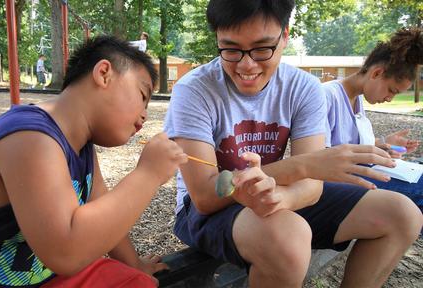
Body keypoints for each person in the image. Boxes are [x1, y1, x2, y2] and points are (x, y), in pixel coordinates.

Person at [163, 0, 423, 287]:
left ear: (285, 35)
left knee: (402, 214)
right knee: (289, 238)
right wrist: (301, 166)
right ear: (217, 39)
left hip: (272, 190)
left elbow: (311, 186)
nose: (246, 64)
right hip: (205, 210)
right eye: (231, 48)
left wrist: (286, 198)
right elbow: (203, 195)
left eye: (262, 48)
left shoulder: (303, 88)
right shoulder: (195, 89)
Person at [0, 36, 187, 287]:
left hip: (35, 279)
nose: (144, 116)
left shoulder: (82, 147)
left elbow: (101, 206)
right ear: (104, 73)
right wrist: (148, 175)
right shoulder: (30, 136)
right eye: (142, 96)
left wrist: (135, 264)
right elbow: (66, 253)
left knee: (136, 282)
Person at [324, 27, 423, 212]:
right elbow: (319, 158)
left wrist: (384, 144)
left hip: (358, 172)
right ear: (376, 73)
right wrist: (375, 152)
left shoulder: (357, 99)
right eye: (392, 90)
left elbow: (348, 143)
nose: (389, 99)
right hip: (335, 182)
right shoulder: (327, 96)